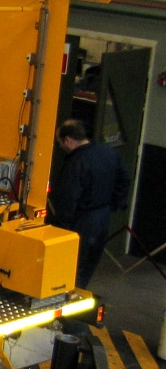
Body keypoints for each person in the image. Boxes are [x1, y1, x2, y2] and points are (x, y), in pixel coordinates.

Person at [48, 119, 131, 289]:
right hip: (103, 218)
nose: (60, 146)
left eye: (59, 142)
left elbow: (67, 198)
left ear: (68, 141)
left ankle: (67, 299)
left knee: (72, 267)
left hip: (82, 221)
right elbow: (124, 180)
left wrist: (59, 229)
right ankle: (79, 293)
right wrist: (113, 205)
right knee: (89, 265)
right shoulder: (109, 153)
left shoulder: (75, 162)